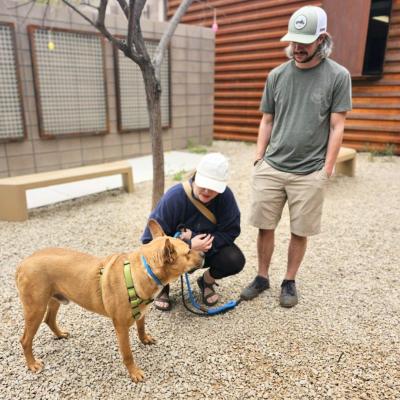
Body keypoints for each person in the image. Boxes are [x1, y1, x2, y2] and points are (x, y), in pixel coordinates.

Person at [240, 5, 352, 307]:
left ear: (322, 39)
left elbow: (337, 125)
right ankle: (262, 277)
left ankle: (288, 280)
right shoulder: (276, 75)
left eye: (305, 41)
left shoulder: (338, 76)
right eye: (294, 41)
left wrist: (326, 170)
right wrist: (258, 158)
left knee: (300, 231)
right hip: (271, 166)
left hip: (310, 171)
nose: (297, 48)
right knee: (265, 226)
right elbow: (267, 120)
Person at [141, 152, 245, 311]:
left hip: (206, 251)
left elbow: (231, 230)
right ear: (196, 176)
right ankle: (163, 286)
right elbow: (149, 240)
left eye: (213, 188)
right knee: (156, 257)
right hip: (174, 256)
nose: (207, 191)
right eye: (204, 184)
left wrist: (200, 242)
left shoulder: (225, 197)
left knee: (234, 259)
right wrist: (188, 244)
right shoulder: (174, 197)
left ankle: (207, 282)